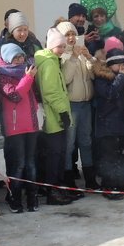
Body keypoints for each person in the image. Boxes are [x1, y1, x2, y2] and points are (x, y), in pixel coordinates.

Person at [0, 44, 39, 213]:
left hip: (31, 125)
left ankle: (32, 197)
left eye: (21, 57)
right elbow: (15, 95)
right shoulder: (3, 78)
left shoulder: (27, 72)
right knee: (18, 165)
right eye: (15, 58)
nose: (20, 60)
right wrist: (28, 78)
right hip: (15, 128)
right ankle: (15, 198)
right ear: (7, 59)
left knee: (31, 164)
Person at [35, 29, 74, 205]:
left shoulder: (51, 61)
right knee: (55, 155)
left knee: (57, 155)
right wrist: (63, 112)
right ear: (51, 46)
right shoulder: (49, 64)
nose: (62, 49)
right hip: (54, 117)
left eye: (64, 46)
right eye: (60, 46)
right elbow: (51, 92)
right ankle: (53, 191)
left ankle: (57, 189)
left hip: (55, 115)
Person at [57, 20, 97, 188]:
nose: (71, 38)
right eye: (67, 35)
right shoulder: (62, 55)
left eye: (73, 34)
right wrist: (73, 58)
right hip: (71, 105)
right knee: (69, 143)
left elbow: (93, 75)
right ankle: (69, 181)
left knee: (86, 141)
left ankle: (90, 179)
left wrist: (89, 58)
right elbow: (65, 79)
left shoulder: (81, 52)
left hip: (86, 104)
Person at [92, 48, 124, 199]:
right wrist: (120, 77)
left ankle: (120, 183)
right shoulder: (102, 78)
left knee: (121, 155)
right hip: (107, 125)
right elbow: (110, 93)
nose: (121, 67)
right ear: (110, 64)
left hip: (122, 123)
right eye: (117, 64)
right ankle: (108, 186)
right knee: (109, 157)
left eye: (123, 64)